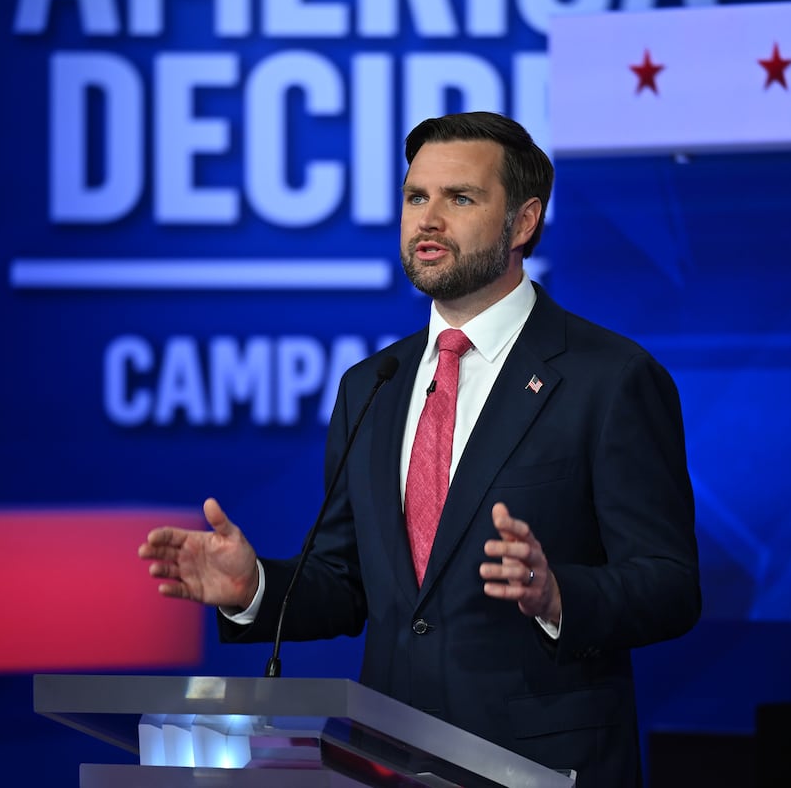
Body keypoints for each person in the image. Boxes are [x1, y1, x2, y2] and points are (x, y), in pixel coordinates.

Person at [138, 111, 700, 786]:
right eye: (415, 197)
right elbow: (349, 585)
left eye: (459, 198)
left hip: (542, 765)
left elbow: (670, 584)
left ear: (522, 223)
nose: (427, 220)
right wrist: (255, 586)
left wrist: (558, 597)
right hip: (388, 762)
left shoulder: (609, 378)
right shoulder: (373, 385)